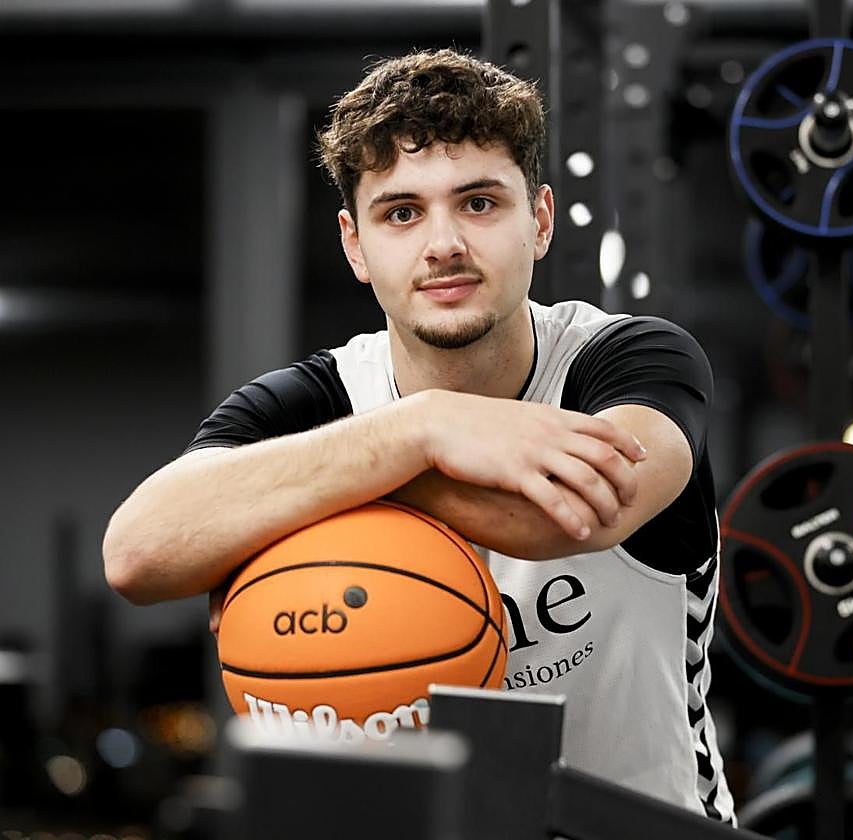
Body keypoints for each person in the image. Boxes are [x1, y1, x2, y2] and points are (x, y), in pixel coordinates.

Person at [102, 48, 735, 823]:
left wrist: (299, 502)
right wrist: (422, 427)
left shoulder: (631, 360)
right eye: (401, 213)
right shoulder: (319, 400)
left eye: (479, 203)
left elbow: (576, 510)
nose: (443, 244)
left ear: (539, 221)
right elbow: (136, 554)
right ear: (355, 245)